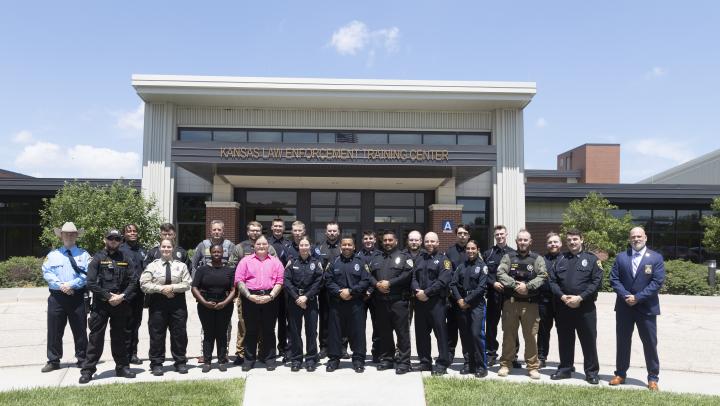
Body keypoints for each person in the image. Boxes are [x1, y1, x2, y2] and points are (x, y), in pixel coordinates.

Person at [79, 229, 139, 384]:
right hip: (101, 305)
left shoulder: (126, 257)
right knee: (95, 338)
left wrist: (122, 296)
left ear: (120, 240)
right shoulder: (97, 258)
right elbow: (90, 282)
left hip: (120, 303)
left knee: (120, 337)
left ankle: (122, 367)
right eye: (110, 238)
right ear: (105, 239)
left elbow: (134, 280)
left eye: (117, 238)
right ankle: (88, 370)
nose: (113, 241)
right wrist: (108, 296)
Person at [609, 226, 665, 391]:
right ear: (629, 239)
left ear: (645, 238)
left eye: (639, 236)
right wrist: (627, 296)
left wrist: (638, 297)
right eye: (633, 236)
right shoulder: (621, 257)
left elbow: (657, 282)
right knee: (623, 342)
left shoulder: (655, 258)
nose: (636, 239)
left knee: (649, 343)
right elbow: (614, 279)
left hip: (646, 308)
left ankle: (653, 378)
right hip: (624, 307)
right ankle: (620, 374)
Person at [548, 229, 603, 384]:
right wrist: (562, 296)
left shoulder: (592, 259)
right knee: (565, 339)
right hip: (564, 306)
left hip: (585, 308)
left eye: (575, 239)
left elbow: (596, 282)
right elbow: (552, 281)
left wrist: (580, 297)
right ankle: (565, 368)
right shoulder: (560, 259)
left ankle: (591, 372)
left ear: (581, 240)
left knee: (589, 340)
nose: (572, 242)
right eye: (569, 240)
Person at [496, 229, 547, 380]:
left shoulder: (537, 258)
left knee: (530, 336)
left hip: (530, 304)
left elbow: (543, 275)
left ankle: (532, 367)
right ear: (516, 241)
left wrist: (528, 287)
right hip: (511, 303)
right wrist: (514, 285)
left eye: (525, 240)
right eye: (520, 240)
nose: (523, 242)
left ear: (530, 242)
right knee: (509, 335)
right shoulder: (508, 257)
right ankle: (506, 364)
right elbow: (500, 273)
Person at [41, 222, 90, 372]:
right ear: (61, 236)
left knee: (80, 329)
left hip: (77, 296)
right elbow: (47, 273)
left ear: (76, 236)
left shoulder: (84, 255)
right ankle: (53, 360)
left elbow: (88, 275)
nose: (69, 235)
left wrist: (71, 285)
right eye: (66, 233)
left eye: (72, 233)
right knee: (54, 330)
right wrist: (61, 285)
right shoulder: (52, 255)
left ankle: (82, 359)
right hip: (57, 297)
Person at [140, 238, 192, 376]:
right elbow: (144, 284)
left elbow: (187, 283)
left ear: (173, 248)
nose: (166, 249)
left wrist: (172, 288)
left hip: (177, 303)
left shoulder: (181, 266)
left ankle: (180, 362)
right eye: (163, 247)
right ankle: (156, 363)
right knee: (157, 334)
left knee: (179, 333)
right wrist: (161, 289)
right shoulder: (152, 266)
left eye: (169, 247)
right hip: (158, 303)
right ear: (159, 248)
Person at [230, 221, 277, 365]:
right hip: (244, 293)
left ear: (261, 232)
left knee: (265, 326)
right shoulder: (239, 248)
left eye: (258, 230)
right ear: (247, 231)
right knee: (244, 324)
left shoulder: (270, 248)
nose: (255, 233)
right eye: (252, 230)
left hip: (266, 293)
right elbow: (232, 268)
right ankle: (241, 353)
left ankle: (263, 353)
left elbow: (275, 268)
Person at [235, 236, 284, 371]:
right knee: (250, 331)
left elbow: (280, 281)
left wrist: (271, 296)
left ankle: (269, 359)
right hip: (250, 298)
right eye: (258, 244)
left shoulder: (276, 262)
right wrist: (249, 296)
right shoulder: (245, 261)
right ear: (254, 246)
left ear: (268, 246)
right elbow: (239, 280)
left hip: (270, 298)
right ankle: (249, 360)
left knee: (269, 330)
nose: (261, 246)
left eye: (264, 244)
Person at [368, 230, 413, 374]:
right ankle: (387, 359)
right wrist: (377, 285)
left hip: (398, 301)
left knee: (402, 333)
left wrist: (390, 283)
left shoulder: (404, 257)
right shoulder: (376, 257)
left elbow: (407, 274)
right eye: (385, 240)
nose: (387, 243)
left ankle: (404, 362)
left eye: (390, 240)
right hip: (381, 301)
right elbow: (368, 274)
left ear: (396, 241)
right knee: (384, 332)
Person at [191, 220, 235, 364]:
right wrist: (197, 282)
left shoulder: (230, 245)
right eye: (214, 229)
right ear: (210, 231)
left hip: (225, 289)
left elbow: (235, 264)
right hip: (206, 288)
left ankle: (224, 354)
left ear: (223, 231)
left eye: (219, 230)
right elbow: (194, 264)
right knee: (207, 328)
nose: (217, 232)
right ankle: (205, 354)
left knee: (225, 327)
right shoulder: (202, 245)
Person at [325, 237, 370, 373]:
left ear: (354, 246)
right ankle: (334, 359)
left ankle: (358, 359)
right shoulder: (334, 262)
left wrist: (351, 291)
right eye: (344, 245)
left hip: (356, 303)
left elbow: (365, 280)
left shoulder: (361, 262)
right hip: (337, 303)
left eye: (349, 244)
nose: (347, 247)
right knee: (335, 332)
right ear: (340, 246)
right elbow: (328, 280)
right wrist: (339, 292)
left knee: (358, 332)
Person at [412, 231, 453, 375]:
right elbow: (413, 277)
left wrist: (426, 293)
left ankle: (442, 364)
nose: (429, 244)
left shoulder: (444, 260)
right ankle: (425, 362)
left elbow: (443, 280)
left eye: (432, 241)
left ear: (438, 243)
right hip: (420, 302)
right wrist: (417, 291)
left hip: (437, 303)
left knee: (440, 334)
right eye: (427, 241)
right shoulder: (419, 258)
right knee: (421, 334)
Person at [284, 236, 324, 372]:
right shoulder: (292, 262)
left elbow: (319, 281)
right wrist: (297, 297)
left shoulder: (316, 263)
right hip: (294, 301)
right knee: (295, 332)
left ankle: (311, 359)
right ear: (298, 247)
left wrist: (306, 297)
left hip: (310, 301)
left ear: (310, 247)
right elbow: (287, 281)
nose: (304, 247)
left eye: (306, 245)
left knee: (311, 331)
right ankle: (296, 359)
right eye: (302, 245)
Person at [450, 240, 489, 378]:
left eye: (473, 248)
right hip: (462, 304)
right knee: (465, 335)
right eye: (468, 249)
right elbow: (453, 284)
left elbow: (481, 288)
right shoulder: (461, 266)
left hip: (476, 305)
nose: (470, 251)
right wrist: (460, 299)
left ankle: (481, 366)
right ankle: (469, 364)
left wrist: (466, 300)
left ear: (478, 249)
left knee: (476, 334)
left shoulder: (482, 266)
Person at [483, 225, 518, 366]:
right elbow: (483, 273)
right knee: (491, 326)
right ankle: (491, 353)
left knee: (511, 326)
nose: (499, 236)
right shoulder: (488, 254)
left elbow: (518, 273)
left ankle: (513, 355)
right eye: (497, 234)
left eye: (502, 234)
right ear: (494, 236)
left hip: (510, 295)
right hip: (493, 295)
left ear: (506, 234)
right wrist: (493, 283)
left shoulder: (514, 254)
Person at [119, 223, 147, 365]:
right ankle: (124, 355)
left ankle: (133, 354)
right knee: (125, 325)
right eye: (129, 231)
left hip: (139, 294)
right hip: (125, 294)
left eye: (135, 231)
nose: (132, 233)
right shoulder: (120, 250)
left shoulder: (142, 250)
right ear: (124, 234)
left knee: (136, 324)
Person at [314, 222, 342, 359]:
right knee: (324, 319)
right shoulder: (319, 248)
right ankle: (324, 347)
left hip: (340, 290)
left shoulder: (344, 247)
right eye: (329, 231)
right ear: (326, 232)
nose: (332, 233)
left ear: (338, 232)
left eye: (334, 231)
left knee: (341, 318)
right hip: (324, 290)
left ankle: (342, 347)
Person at [444, 225, 471, 365]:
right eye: (460, 233)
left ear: (469, 235)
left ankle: (468, 358)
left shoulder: (473, 251)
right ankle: (449, 356)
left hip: (469, 298)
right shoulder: (449, 252)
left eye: (465, 233)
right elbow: (447, 274)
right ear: (456, 235)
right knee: (451, 329)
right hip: (453, 298)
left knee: (466, 330)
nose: (462, 236)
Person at [268, 218, 291, 363]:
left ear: (284, 228)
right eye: (275, 226)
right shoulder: (266, 243)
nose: (277, 228)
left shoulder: (288, 244)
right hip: (269, 286)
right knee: (269, 319)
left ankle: (283, 347)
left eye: (280, 226)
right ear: (271, 227)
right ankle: (268, 349)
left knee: (284, 319)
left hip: (285, 288)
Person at [538, 232, 561, 368]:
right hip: (544, 300)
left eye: (555, 242)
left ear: (560, 244)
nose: (553, 244)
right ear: (547, 245)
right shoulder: (541, 260)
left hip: (561, 301)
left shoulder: (566, 258)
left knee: (564, 332)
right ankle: (541, 357)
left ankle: (565, 360)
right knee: (543, 331)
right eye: (550, 242)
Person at [358, 230, 382, 363]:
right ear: (362, 240)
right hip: (361, 296)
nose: (368, 240)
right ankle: (360, 353)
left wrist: (371, 290)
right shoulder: (357, 255)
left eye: (370, 238)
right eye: (366, 238)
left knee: (377, 326)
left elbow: (380, 275)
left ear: (375, 240)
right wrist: (364, 291)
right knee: (359, 326)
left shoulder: (380, 255)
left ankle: (376, 353)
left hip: (376, 296)